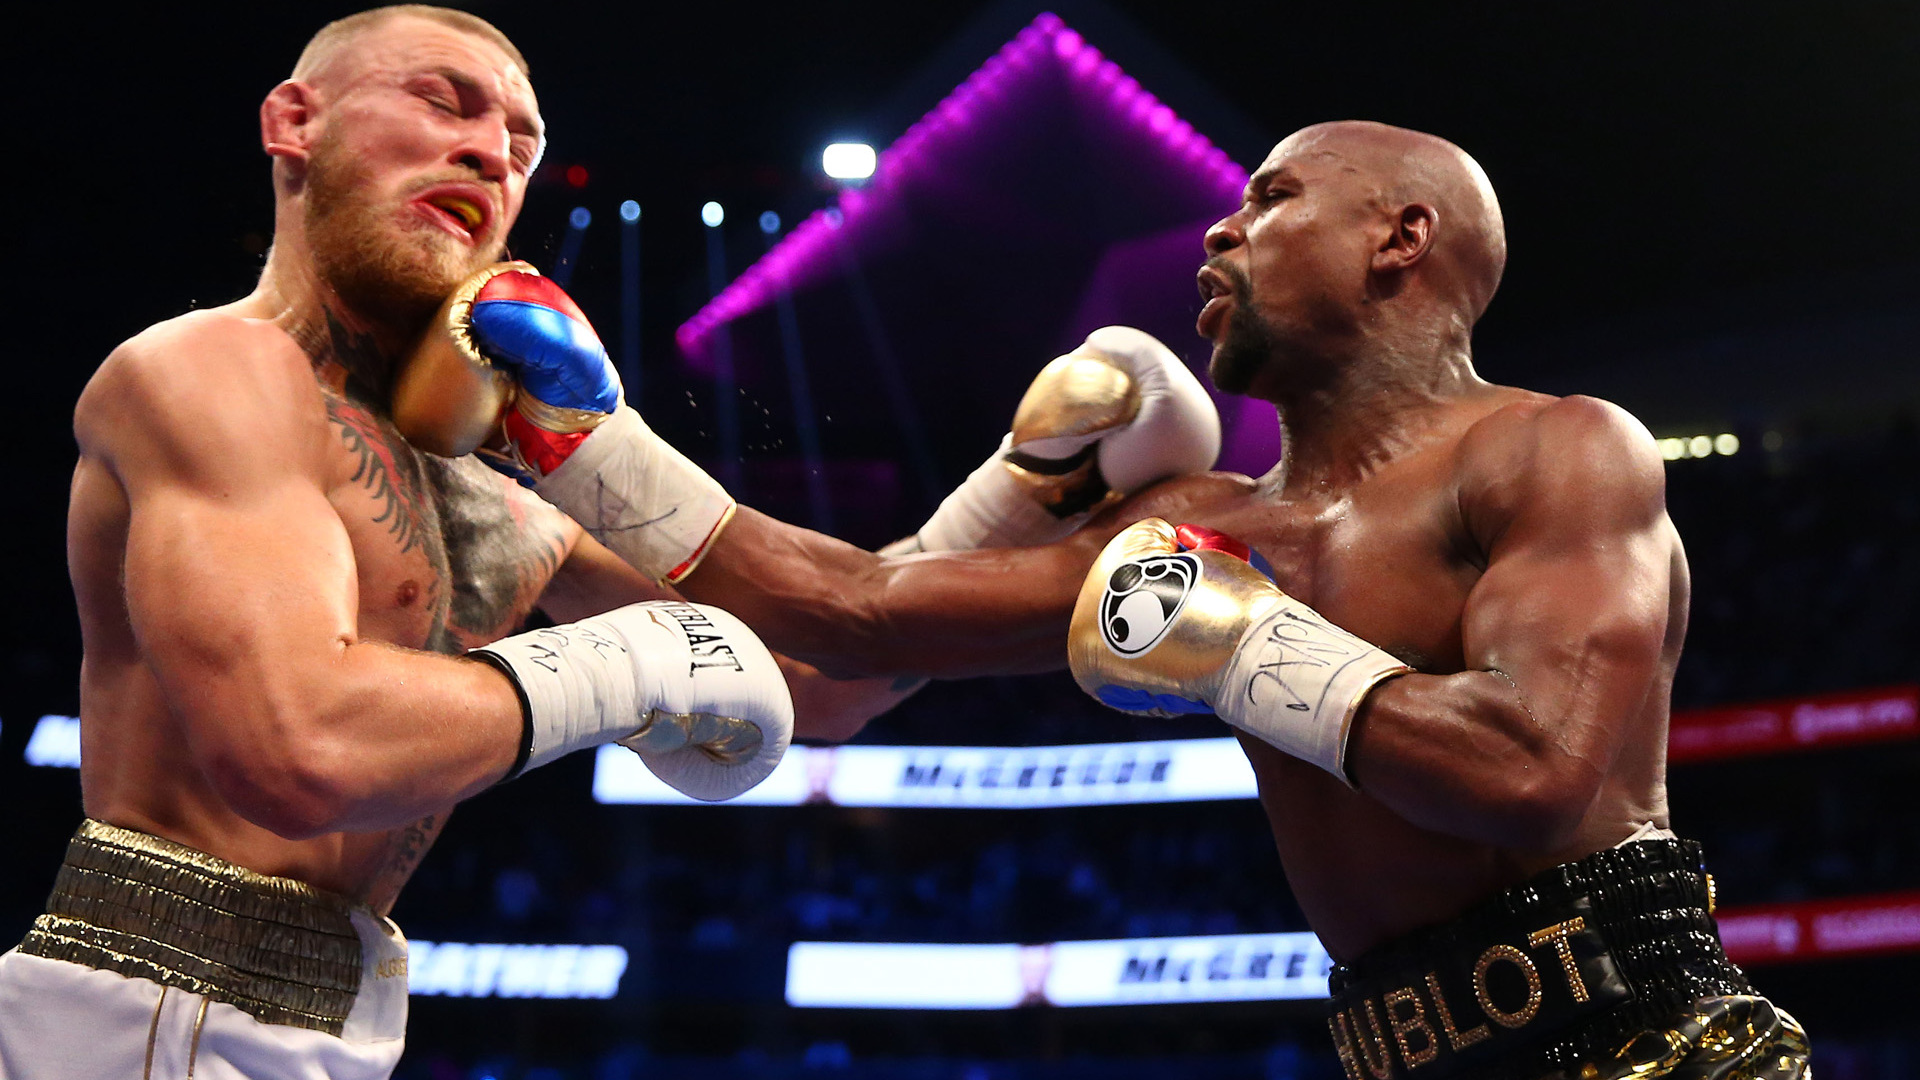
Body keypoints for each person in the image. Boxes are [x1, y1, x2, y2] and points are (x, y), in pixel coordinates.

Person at [433, 120, 1810, 1077]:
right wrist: (577, 451)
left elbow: (1533, 772)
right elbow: (848, 627)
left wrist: (1239, 642)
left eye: (1274, 198)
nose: (1223, 221)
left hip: (1650, 1049)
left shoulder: (1557, 448)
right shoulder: (1190, 526)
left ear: (1404, 237)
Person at [0, 7, 1219, 1079]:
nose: (487, 149)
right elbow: (299, 744)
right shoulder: (207, 372)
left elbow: (815, 677)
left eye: (519, 143)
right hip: (155, 1007)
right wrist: (632, 663)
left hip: (335, 1014)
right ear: (293, 123)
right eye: (442, 103)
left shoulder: (483, 494)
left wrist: (1030, 488)